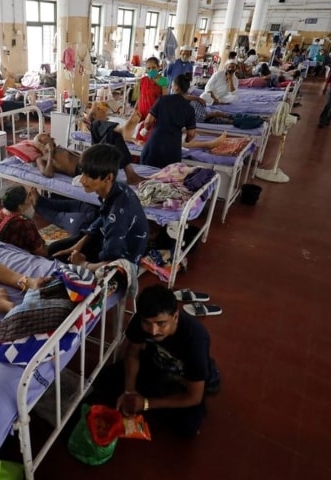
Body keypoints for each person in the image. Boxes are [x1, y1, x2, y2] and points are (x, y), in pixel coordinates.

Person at [110, 284, 212, 437]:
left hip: (182, 380)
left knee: (188, 426)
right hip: (155, 365)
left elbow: (194, 397)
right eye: (147, 323)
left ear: (175, 317)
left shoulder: (196, 339)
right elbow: (132, 353)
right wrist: (129, 391)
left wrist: (145, 404)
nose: (153, 331)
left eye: (161, 323)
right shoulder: (142, 319)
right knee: (107, 380)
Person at [42, 144, 149, 271]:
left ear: (108, 177)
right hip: (106, 240)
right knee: (54, 250)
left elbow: (113, 264)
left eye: (89, 176)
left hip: (121, 261)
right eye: (83, 173)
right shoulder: (117, 188)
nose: (82, 180)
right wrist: (77, 246)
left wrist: (83, 264)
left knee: (64, 269)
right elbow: (102, 219)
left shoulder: (119, 214)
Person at [140, 75, 226, 169]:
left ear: (176, 87)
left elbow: (148, 121)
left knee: (147, 176)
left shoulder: (162, 100)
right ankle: (209, 144)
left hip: (154, 145)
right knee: (168, 178)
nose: (171, 87)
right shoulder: (189, 109)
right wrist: (187, 140)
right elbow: (191, 134)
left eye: (172, 85)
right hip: (172, 149)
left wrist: (145, 129)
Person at [0, 186, 48, 257]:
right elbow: (40, 251)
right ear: (20, 206)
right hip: (15, 258)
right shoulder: (25, 223)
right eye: (28, 197)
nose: (30, 198)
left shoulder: (0, 212)